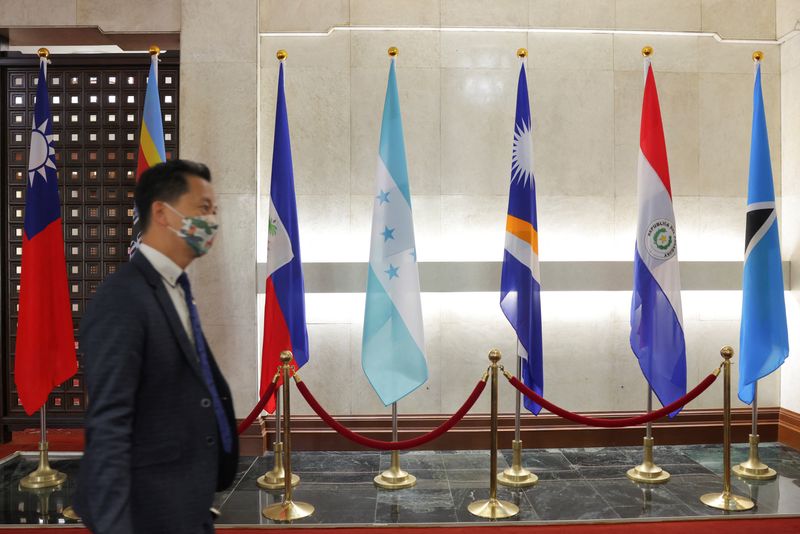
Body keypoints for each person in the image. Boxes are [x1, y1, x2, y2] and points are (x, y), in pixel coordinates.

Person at [74, 160, 239, 534]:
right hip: (146, 512)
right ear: (162, 213)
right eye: (203, 209)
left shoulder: (175, 286)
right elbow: (109, 425)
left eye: (214, 211)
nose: (212, 221)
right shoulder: (123, 298)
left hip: (184, 504)